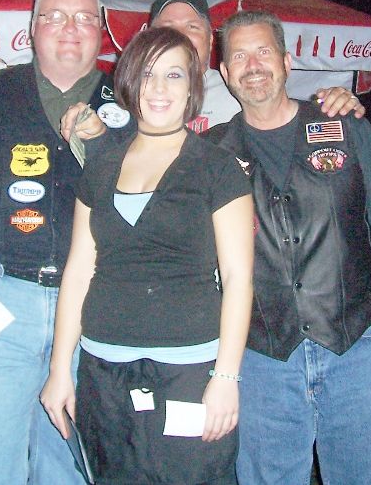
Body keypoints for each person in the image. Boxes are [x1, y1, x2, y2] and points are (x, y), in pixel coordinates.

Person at [206, 10, 371, 484]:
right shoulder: (212, 153)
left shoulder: (345, 125)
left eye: (263, 52)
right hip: (262, 356)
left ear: (287, 62)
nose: (253, 65)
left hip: (356, 346)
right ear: (224, 73)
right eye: (239, 57)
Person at [0, 0, 129, 483]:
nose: (70, 27)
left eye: (84, 18)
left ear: (101, 31)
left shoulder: (132, 104)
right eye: (55, 16)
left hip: (94, 312)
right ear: (33, 27)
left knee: (71, 470)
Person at [40, 27, 253, 484]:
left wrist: (226, 378)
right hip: (104, 371)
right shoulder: (99, 167)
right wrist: (60, 370)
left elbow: (238, 279)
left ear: (192, 88)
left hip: (189, 370)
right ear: (129, 82)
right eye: (148, 74)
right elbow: (78, 271)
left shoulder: (218, 168)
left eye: (174, 75)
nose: (159, 88)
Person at [0, 0, 366, 140]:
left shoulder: (239, 85)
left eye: (192, 27)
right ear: (146, 37)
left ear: (210, 40)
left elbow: (285, 111)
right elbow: (58, 107)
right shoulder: (120, 91)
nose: (179, 36)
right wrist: (3, 81)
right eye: (168, 27)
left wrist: (333, 101)